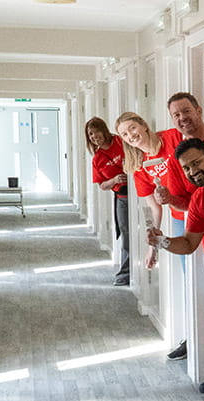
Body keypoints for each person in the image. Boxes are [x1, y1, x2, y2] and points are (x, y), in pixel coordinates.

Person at [116, 111, 198, 361]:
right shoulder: (138, 165)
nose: (131, 136)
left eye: (132, 128)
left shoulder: (174, 138)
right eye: (124, 134)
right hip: (178, 219)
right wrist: (154, 246)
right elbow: (154, 207)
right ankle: (194, 338)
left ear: (143, 124)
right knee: (191, 280)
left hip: (200, 209)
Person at [146, 138, 204, 394]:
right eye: (187, 168)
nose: (193, 170)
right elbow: (188, 244)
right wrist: (162, 241)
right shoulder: (200, 198)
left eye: (196, 162)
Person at [85, 116, 131, 286]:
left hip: (138, 192)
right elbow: (102, 185)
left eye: (96, 131)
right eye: (90, 134)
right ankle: (126, 273)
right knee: (126, 236)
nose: (94, 136)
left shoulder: (120, 142)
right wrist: (114, 180)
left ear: (104, 130)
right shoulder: (97, 158)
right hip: (122, 197)